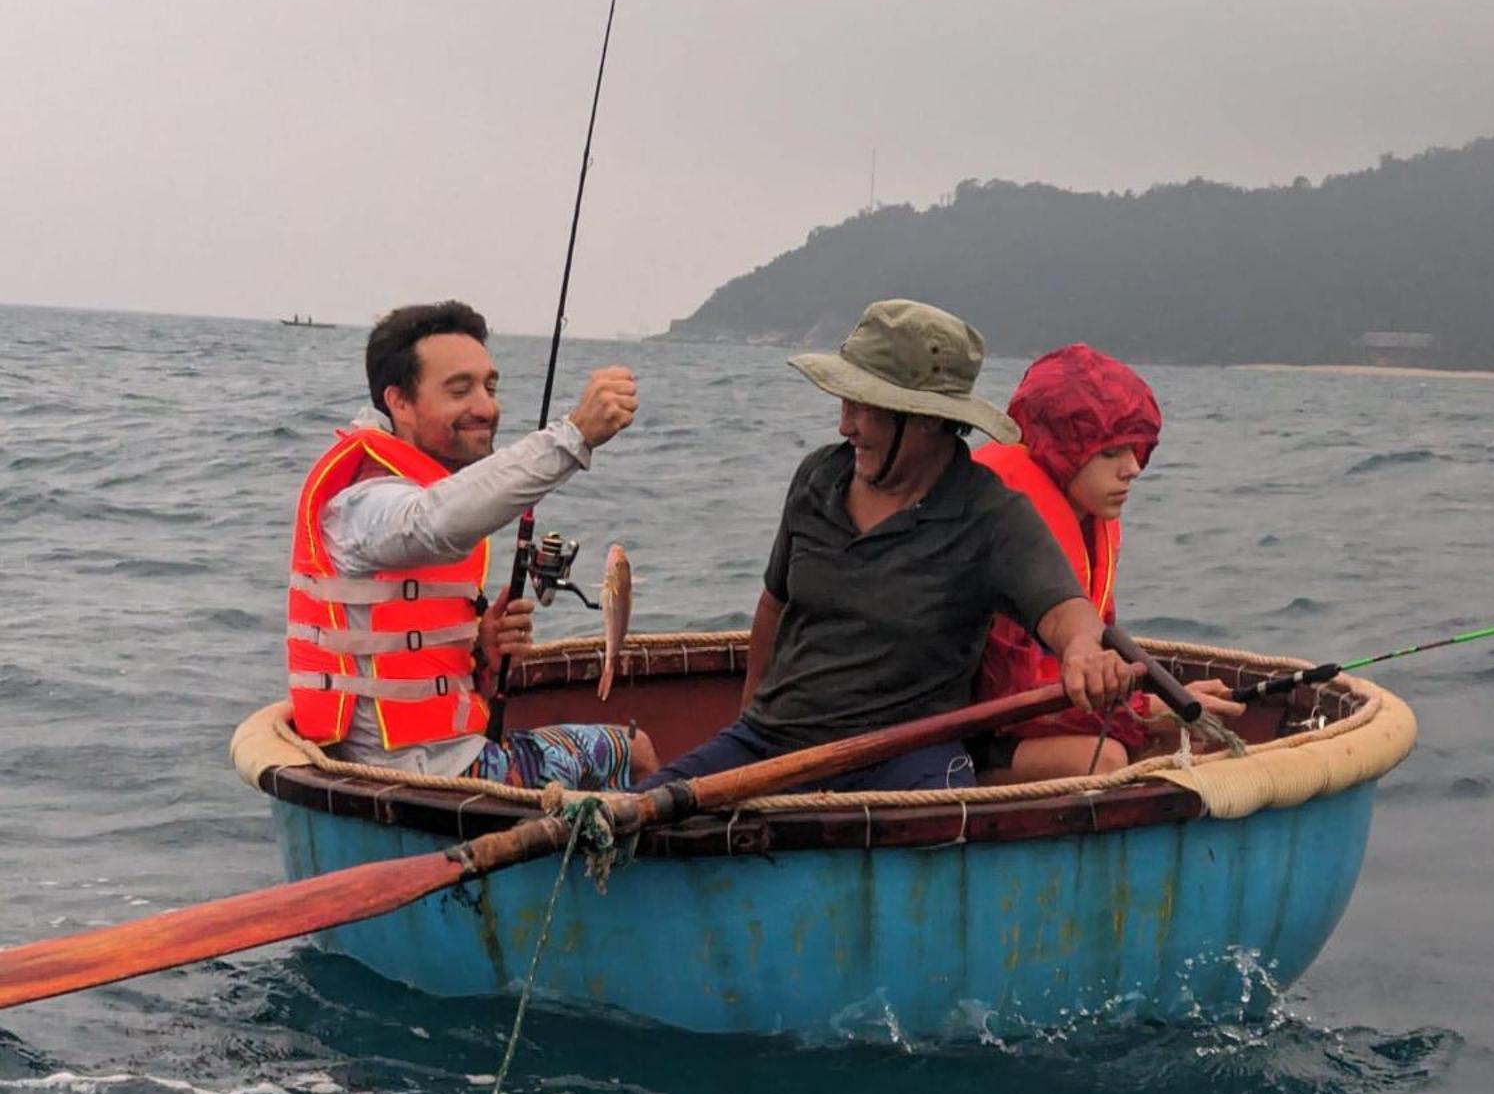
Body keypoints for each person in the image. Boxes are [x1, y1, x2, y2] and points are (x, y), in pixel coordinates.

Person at [636, 300, 1140, 795]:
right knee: (636, 819)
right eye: (844, 402)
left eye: (863, 407)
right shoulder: (818, 476)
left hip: (907, 754)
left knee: (937, 829)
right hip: (773, 739)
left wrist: (1082, 653)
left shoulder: (991, 514)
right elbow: (774, 605)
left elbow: (1063, 611)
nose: (844, 425)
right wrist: (748, 720)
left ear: (924, 418)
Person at [285, 300, 658, 789]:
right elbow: (434, 522)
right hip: (425, 777)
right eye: (459, 390)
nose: (486, 407)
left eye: (490, 387)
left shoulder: (410, 481)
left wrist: (480, 648)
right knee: (637, 752)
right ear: (398, 402)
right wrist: (573, 436)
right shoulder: (363, 499)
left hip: (439, 758)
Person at [971, 344, 1243, 781]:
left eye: (1136, 449)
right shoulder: (1004, 529)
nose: (1133, 468)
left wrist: (1168, 700)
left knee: (1183, 736)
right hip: (969, 732)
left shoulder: (1085, 522)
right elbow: (1011, 694)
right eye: (1110, 452)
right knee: (1106, 758)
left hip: (1026, 720)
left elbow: (1098, 647)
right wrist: (1151, 707)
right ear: (1060, 453)